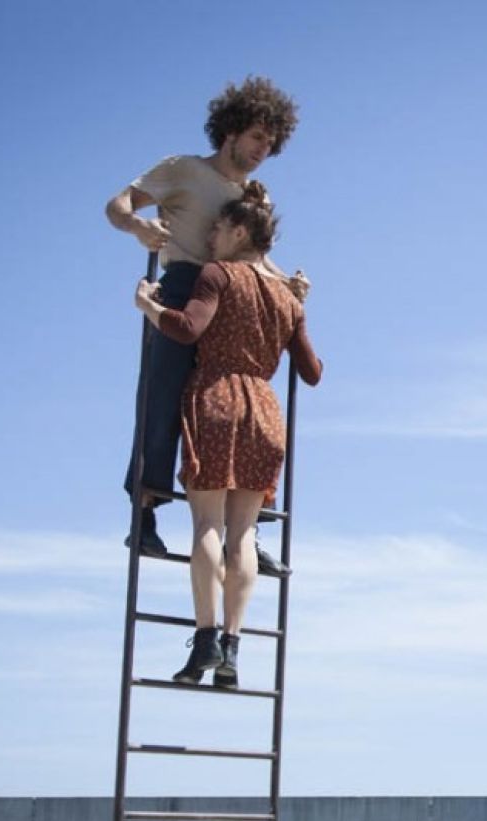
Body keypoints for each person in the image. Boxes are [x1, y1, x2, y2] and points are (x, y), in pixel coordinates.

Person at [107, 75, 304, 575]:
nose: (264, 149)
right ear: (232, 130)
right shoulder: (183, 169)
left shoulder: (253, 195)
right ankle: (145, 515)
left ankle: (247, 530)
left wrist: (288, 284)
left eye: (271, 143)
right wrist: (139, 227)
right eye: (258, 137)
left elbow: (257, 257)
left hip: (235, 297)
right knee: (162, 400)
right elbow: (117, 205)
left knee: (242, 412)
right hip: (184, 285)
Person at [133, 183, 323, 688]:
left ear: (240, 231)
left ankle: (206, 638)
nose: (211, 237)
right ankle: (234, 650)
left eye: (217, 229)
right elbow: (312, 371)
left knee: (207, 528)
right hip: (264, 412)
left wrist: (148, 306)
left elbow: (188, 329)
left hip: (216, 399)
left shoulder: (217, 274)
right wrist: (298, 309)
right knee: (243, 534)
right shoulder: (287, 299)